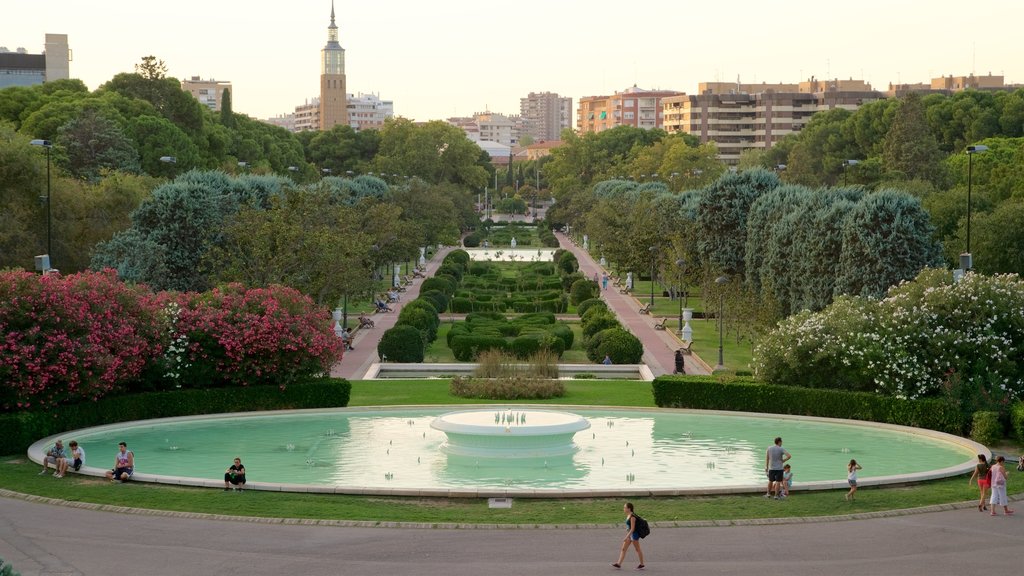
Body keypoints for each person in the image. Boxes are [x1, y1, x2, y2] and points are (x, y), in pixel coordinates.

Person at [611, 502, 645, 570]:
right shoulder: (628, 515)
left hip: (634, 535)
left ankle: (642, 564)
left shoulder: (632, 517)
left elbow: (632, 529)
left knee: (637, 549)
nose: (624, 509)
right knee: (623, 549)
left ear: (629, 509)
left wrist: (626, 537)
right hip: (630, 535)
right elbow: (629, 527)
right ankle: (618, 564)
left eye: (625, 507)